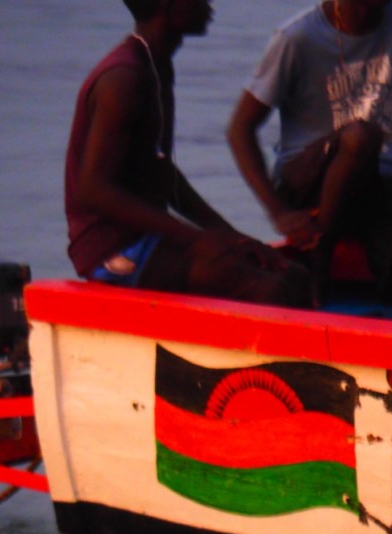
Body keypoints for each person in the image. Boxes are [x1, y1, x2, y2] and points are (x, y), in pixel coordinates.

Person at [227, 0, 392, 324]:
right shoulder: (297, 38)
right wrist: (279, 213)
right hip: (308, 183)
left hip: (377, 183)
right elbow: (240, 129)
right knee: (361, 137)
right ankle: (320, 253)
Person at [65, 0, 310, 307]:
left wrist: (229, 235)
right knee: (268, 289)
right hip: (112, 249)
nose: (208, 3)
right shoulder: (124, 79)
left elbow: (161, 173)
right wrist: (195, 238)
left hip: (146, 235)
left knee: (295, 276)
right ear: (168, 8)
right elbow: (93, 189)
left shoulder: (156, 66)